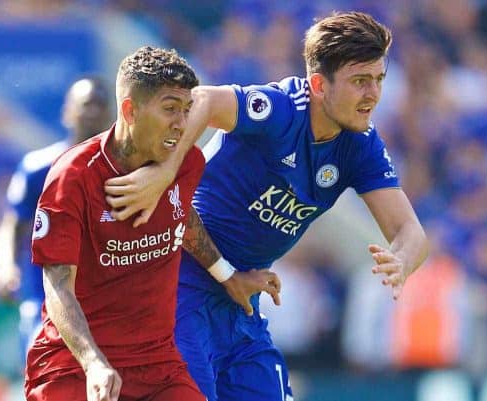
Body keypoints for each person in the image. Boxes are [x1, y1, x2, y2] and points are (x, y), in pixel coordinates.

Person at [104, 12, 429, 401]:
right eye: (360, 82)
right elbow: (204, 99)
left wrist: (402, 261)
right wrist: (164, 172)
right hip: (181, 282)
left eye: (378, 80)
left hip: (242, 301)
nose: (373, 95)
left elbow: (410, 233)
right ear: (319, 86)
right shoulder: (280, 109)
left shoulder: (362, 147)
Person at [24, 46, 280, 401]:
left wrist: (227, 275)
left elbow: (182, 216)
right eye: (170, 108)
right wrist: (93, 362)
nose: (182, 122)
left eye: (187, 110)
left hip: (156, 366)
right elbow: (57, 285)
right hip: (74, 363)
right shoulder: (73, 176)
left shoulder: (186, 163)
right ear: (130, 110)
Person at [0, 76, 113, 356]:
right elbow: (12, 224)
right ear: (67, 112)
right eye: (86, 104)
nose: (93, 111)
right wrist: (6, 266)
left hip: (107, 302)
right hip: (46, 300)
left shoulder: (128, 171)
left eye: (100, 104)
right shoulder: (38, 168)